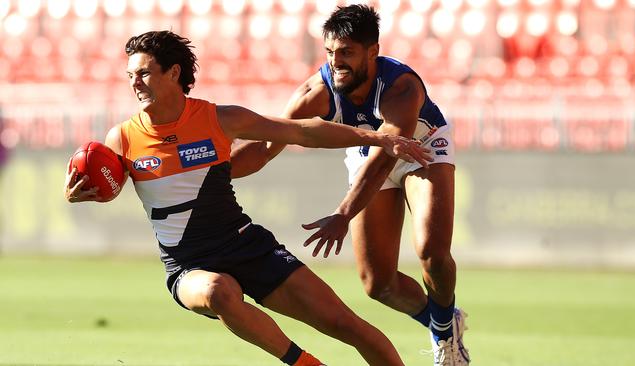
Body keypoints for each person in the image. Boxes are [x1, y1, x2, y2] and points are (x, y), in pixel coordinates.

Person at [62, 30, 433, 366]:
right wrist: (79, 194)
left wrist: (377, 138)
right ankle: (305, 364)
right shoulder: (122, 138)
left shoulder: (219, 118)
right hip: (187, 265)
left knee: (346, 325)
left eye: (143, 73)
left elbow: (302, 132)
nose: (135, 83)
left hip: (247, 246)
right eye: (130, 76)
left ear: (173, 73)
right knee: (218, 292)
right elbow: (108, 189)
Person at [231, 5, 471, 365]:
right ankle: (442, 321)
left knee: (432, 253)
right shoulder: (316, 91)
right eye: (330, 52)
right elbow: (264, 147)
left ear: (372, 51)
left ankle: (445, 337)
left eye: (346, 52)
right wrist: (212, 171)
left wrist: (343, 214)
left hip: (422, 148)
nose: (335, 61)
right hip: (368, 151)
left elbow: (388, 157)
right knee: (378, 284)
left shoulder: (401, 87)